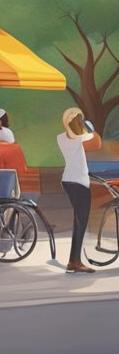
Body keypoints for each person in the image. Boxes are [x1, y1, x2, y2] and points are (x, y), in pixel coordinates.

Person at [58, 107, 102, 274]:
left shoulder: (60, 138)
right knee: (81, 222)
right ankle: (75, 262)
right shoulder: (81, 138)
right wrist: (88, 126)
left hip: (67, 180)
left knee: (78, 220)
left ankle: (73, 261)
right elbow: (97, 142)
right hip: (80, 182)